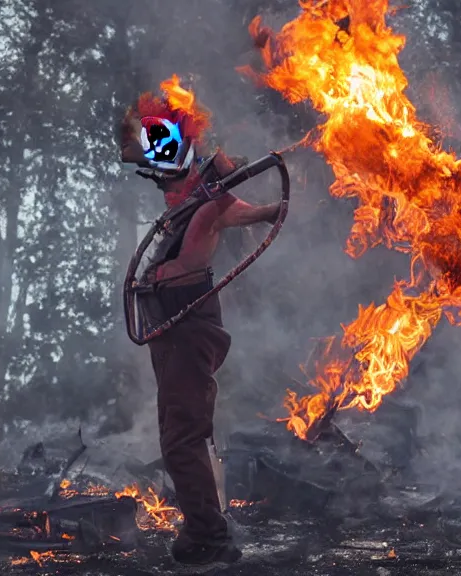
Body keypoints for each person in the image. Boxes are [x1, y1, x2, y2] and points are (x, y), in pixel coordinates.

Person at [118, 81, 282, 566]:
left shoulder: (209, 203)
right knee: (178, 430)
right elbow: (138, 152)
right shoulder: (182, 206)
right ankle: (206, 532)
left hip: (189, 324)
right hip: (169, 325)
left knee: (182, 435)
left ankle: (210, 537)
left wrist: (276, 207)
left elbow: (245, 213)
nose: (153, 173)